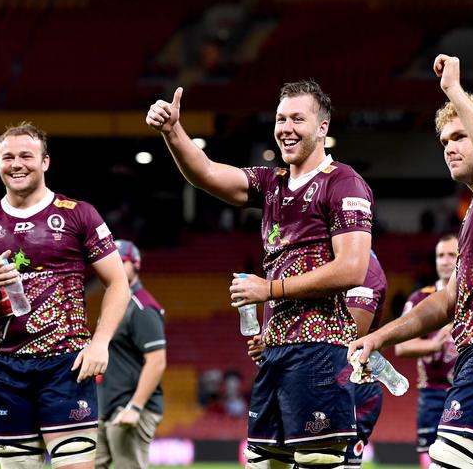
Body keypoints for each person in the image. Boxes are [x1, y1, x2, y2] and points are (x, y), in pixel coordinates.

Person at [147, 80, 373, 468]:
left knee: (317, 461)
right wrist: (173, 131)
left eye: (298, 119)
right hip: (276, 352)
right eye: (281, 118)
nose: (286, 127)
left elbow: (353, 268)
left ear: (322, 127)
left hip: (319, 349)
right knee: (265, 462)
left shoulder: (343, 182)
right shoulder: (272, 184)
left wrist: (270, 288)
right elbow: (206, 173)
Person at [348, 54, 473, 469]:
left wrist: (455, 93)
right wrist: (378, 338)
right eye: (444, 141)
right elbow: (446, 303)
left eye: (460, 135)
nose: (450, 147)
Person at [0, 122, 130, 469]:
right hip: (7, 369)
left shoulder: (78, 214)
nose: (16, 163)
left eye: (25, 156)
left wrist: (100, 342)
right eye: (7, 157)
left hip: (67, 366)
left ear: (45, 162)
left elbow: (119, 283)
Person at [248, 250, 387, 469]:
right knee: (268, 460)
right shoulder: (308, 257)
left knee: (322, 462)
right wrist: (272, 341)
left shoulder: (363, 267)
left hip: (346, 383)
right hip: (301, 375)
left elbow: (352, 336)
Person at [96, 239, 167, 469]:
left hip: (128, 408)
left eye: (120, 261)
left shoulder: (142, 307)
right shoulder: (115, 303)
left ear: (135, 264)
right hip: (106, 406)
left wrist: (134, 407)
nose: (113, 266)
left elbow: (157, 361)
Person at [395, 235, 459, 469]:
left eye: (451, 255)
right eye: (440, 255)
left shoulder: (472, 297)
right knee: (429, 460)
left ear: (461, 258)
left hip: (465, 391)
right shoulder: (419, 298)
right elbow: (401, 347)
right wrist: (432, 346)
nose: (445, 261)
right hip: (432, 393)